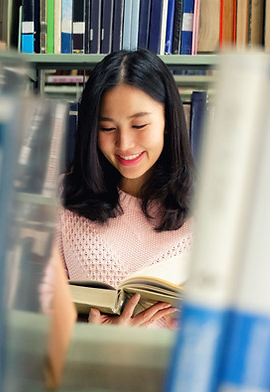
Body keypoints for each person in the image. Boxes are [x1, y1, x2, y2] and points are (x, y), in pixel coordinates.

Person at [40, 48, 195, 329]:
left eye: (139, 125)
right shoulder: (61, 198)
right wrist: (94, 337)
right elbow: (38, 318)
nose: (124, 145)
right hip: (88, 369)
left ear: (169, 121)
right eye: (108, 128)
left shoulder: (210, 211)